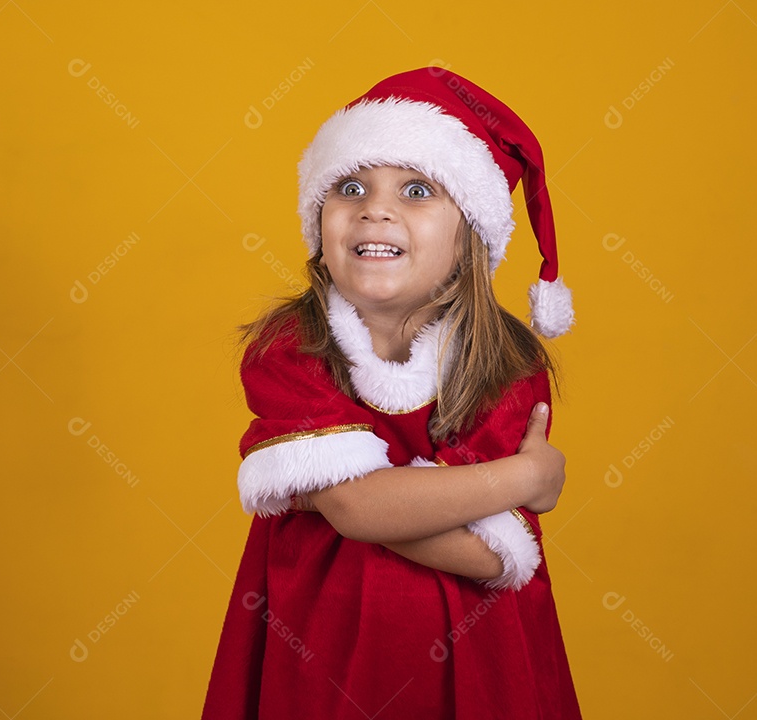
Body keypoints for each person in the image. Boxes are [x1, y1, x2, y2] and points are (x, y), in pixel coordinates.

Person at [203, 67, 582, 719]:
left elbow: (489, 553)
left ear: (471, 235)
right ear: (319, 224)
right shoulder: (291, 346)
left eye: (416, 190)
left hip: (483, 657)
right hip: (319, 654)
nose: (375, 208)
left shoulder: (508, 365)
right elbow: (359, 507)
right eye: (350, 186)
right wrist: (523, 477)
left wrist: (361, 497)